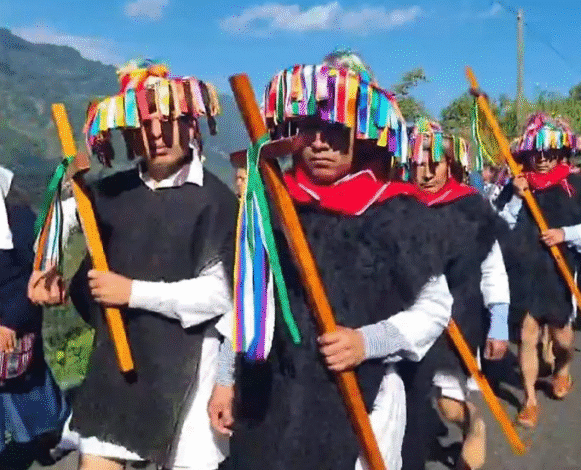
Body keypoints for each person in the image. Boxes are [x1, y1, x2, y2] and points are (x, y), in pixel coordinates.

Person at [210, 52, 453, 470]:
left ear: (363, 131)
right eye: (309, 128)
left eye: (335, 128)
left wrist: (367, 342)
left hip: (362, 395)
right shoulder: (273, 205)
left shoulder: (399, 211)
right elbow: (253, 297)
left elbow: (434, 307)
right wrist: (224, 377)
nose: (319, 143)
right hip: (275, 393)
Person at [27, 59, 237, 470]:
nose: (156, 135)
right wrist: (48, 269)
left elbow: (220, 294)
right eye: (143, 124)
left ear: (192, 125)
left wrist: (133, 293)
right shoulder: (107, 192)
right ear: (127, 133)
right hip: (116, 371)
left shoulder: (217, 201)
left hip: (188, 375)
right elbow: (57, 226)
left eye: (168, 121)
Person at [398, 118, 510, 470]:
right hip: (403, 315)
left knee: (447, 403)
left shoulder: (472, 207)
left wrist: (500, 322)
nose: (427, 173)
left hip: (458, 317)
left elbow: (492, 267)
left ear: (451, 165)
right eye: (420, 164)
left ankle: (472, 423)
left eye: (436, 164)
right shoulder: (396, 205)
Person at [496, 113, 581, 428]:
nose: (541, 160)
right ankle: (529, 400)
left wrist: (564, 234)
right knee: (527, 336)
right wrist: (515, 198)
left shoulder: (579, 187)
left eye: (549, 154)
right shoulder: (516, 185)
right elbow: (500, 224)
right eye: (535, 154)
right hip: (524, 272)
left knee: (562, 340)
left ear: (561, 153)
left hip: (560, 273)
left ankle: (563, 369)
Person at [1, 166, 70, 469]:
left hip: (15, 326)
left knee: (26, 395)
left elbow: (33, 274)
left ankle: (48, 437)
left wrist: (9, 321)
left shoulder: (18, 221)